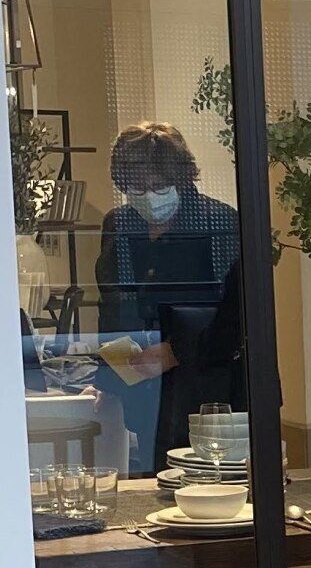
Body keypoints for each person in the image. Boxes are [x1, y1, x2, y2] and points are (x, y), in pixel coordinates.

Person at [94, 122, 244, 474]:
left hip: (209, 389)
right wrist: (109, 378)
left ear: (181, 177)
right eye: (136, 187)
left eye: (159, 185)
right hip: (144, 389)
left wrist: (175, 351)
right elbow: (112, 306)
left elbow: (238, 315)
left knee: (210, 482)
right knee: (154, 479)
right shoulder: (119, 223)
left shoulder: (220, 222)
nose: (148, 195)